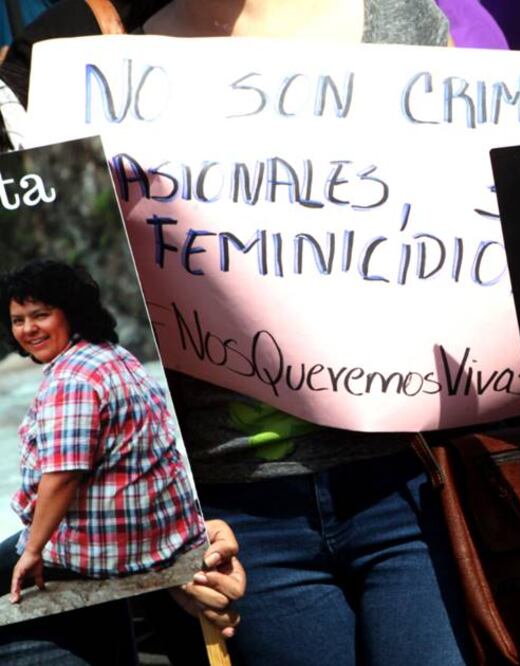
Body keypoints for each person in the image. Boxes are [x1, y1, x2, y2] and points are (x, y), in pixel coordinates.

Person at [0, 2, 471, 664]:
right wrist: (170, 543)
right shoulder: (103, 63)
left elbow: (472, 237)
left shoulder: (398, 21)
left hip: (405, 484)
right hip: (240, 517)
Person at [2, 259, 204, 596]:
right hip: (161, 532)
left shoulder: (71, 380)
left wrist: (33, 550)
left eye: (40, 315)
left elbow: (63, 475)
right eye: (17, 321)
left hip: (107, 548)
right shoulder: (113, 355)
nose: (27, 329)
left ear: (70, 312)